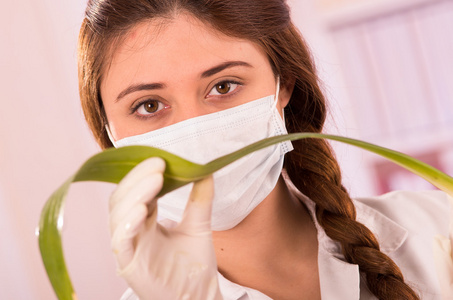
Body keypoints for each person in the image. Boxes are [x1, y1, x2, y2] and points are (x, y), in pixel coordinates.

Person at [77, 0, 453, 299]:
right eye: (149, 105)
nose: (194, 130)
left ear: (283, 84)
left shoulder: (441, 227)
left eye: (223, 86)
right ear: (110, 134)